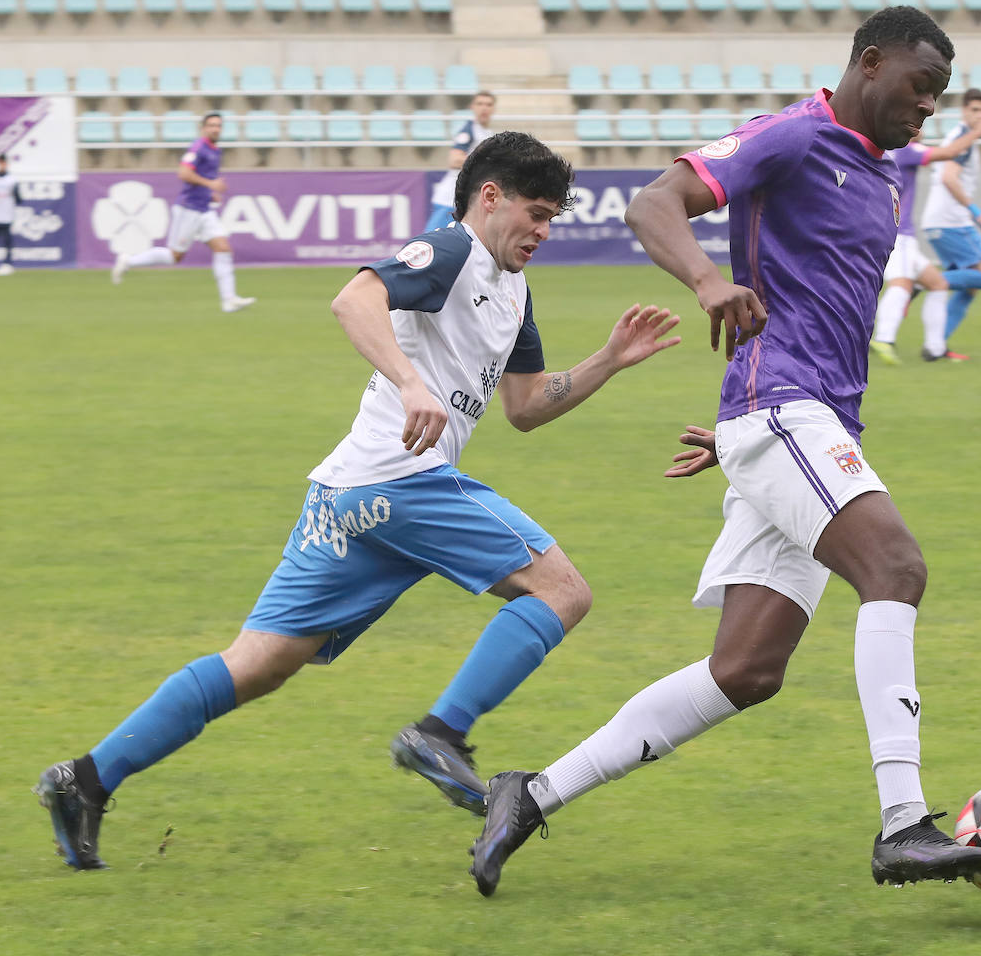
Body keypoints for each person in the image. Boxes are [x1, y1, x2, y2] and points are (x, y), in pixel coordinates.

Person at [34, 132, 682, 870]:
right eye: (535, 213)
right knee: (562, 589)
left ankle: (84, 779)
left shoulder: (512, 288)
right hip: (400, 481)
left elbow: (527, 406)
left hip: (349, 494)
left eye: (553, 219)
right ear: (490, 196)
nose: (542, 231)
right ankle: (441, 733)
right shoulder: (449, 249)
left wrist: (607, 360)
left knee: (259, 664)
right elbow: (354, 298)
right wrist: (410, 381)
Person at [466, 7, 981, 897]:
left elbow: (820, 308)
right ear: (870, 63)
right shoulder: (790, 135)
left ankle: (533, 791)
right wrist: (710, 283)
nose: (929, 109)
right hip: (786, 414)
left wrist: (747, 437)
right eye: (919, 87)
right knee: (896, 570)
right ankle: (904, 822)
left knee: (746, 670)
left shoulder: (887, 172)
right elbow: (654, 200)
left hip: (788, 422)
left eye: (939, 96)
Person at [869, 120, 981, 365]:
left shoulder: (887, 150)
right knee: (901, 283)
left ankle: (934, 349)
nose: (920, 127)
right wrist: (977, 132)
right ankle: (883, 338)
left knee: (936, 283)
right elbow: (950, 153)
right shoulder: (908, 150)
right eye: (915, 123)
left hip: (898, 233)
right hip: (899, 234)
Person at [110, 113, 256, 314]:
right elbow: (184, 173)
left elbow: (202, 178)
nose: (215, 129)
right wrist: (211, 184)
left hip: (204, 209)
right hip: (189, 209)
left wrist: (210, 194)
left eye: (219, 125)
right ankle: (128, 261)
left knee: (223, 249)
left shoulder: (216, 151)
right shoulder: (198, 148)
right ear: (203, 128)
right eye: (212, 125)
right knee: (174, 256)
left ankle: (229, 300)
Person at [918, 88, 981, 359]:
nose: (980, 115)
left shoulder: (961, 139)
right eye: (975, 110)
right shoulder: (962, 141)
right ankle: (920, 281)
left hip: (938, 221)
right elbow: (949, 178)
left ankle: (936, 346)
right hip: (952, 221)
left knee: (971, 286)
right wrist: (979, 214)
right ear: (964, 111)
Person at [424, 92, 497, 233]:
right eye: (480, 104)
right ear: (472, 107)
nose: (484, 108)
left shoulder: (487, 133)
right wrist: (486, 164)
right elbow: (454, 160)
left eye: (488, 104)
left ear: (493, 109)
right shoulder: (469, 131)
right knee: (429, 243)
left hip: (466, 199)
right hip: (450, 198)